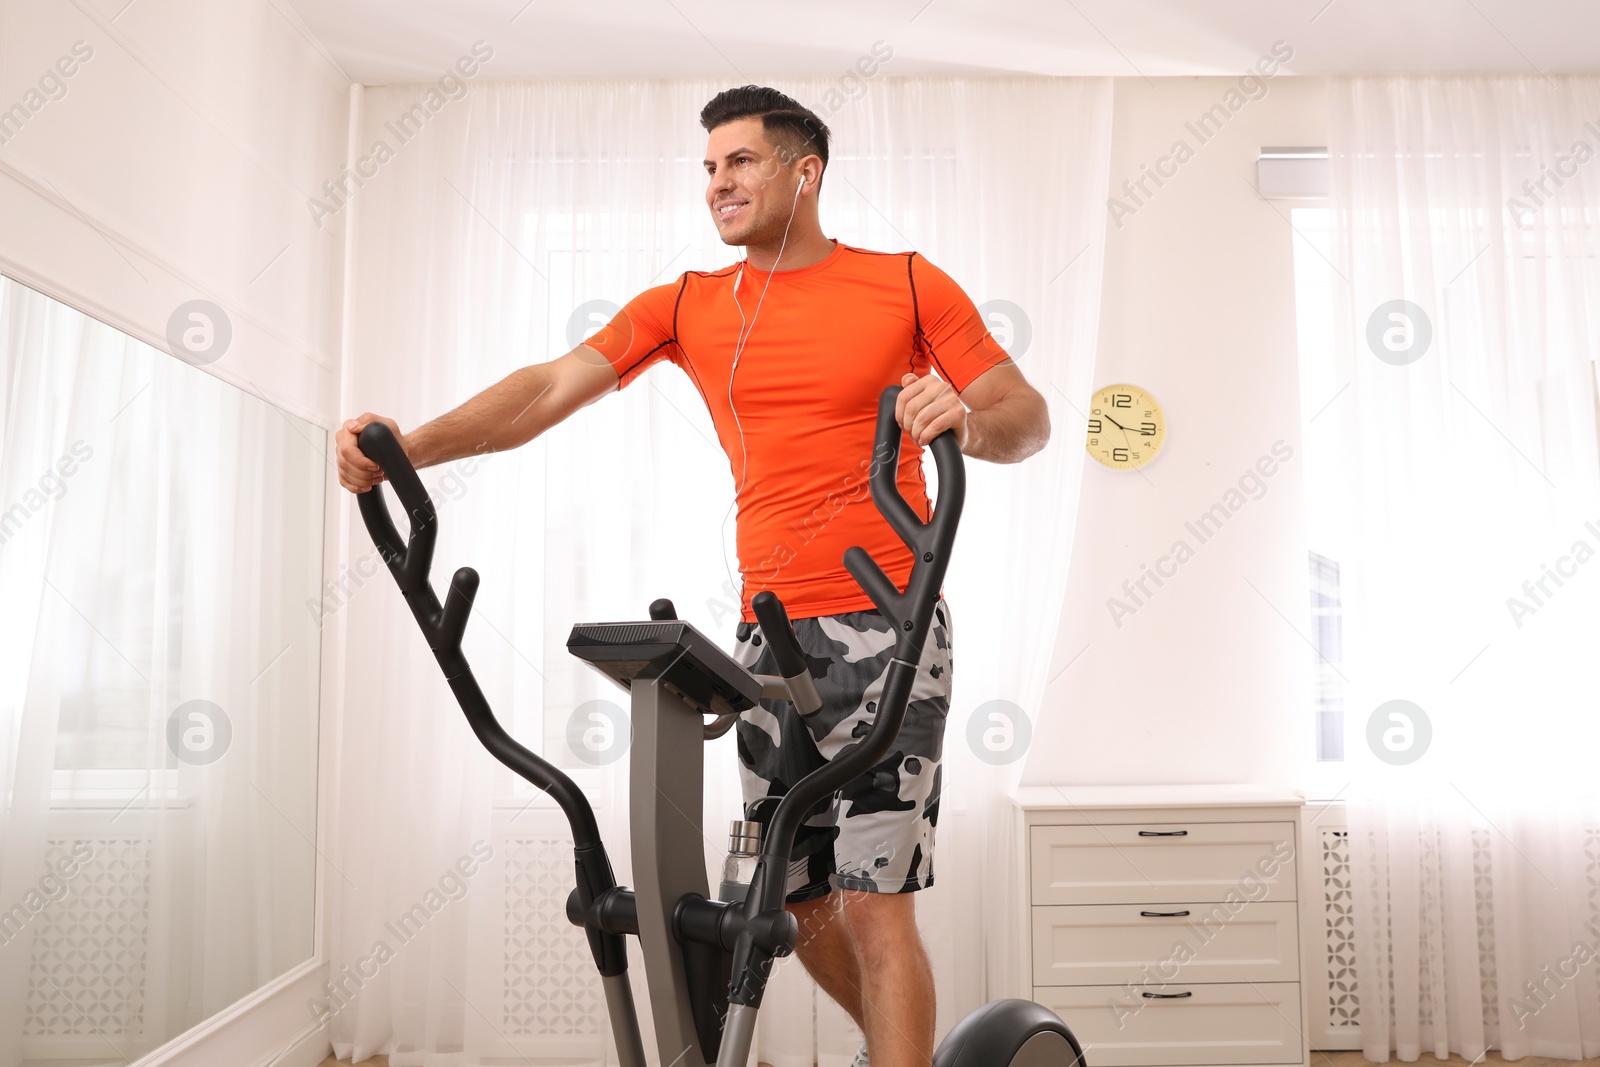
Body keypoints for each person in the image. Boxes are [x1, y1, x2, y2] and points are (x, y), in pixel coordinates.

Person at [336, 85, 1050, 1067]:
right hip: (767, 639)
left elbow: (1026, 415)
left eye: (740, 162)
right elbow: (546, 387)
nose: (717, 183)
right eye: (708, 167)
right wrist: (406, 447)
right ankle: (904, 1053)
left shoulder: (910, 285)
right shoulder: (689, 305)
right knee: (786, 901)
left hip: (891, 617)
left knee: (876, 902)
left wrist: (961, 418)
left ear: (806, 172)